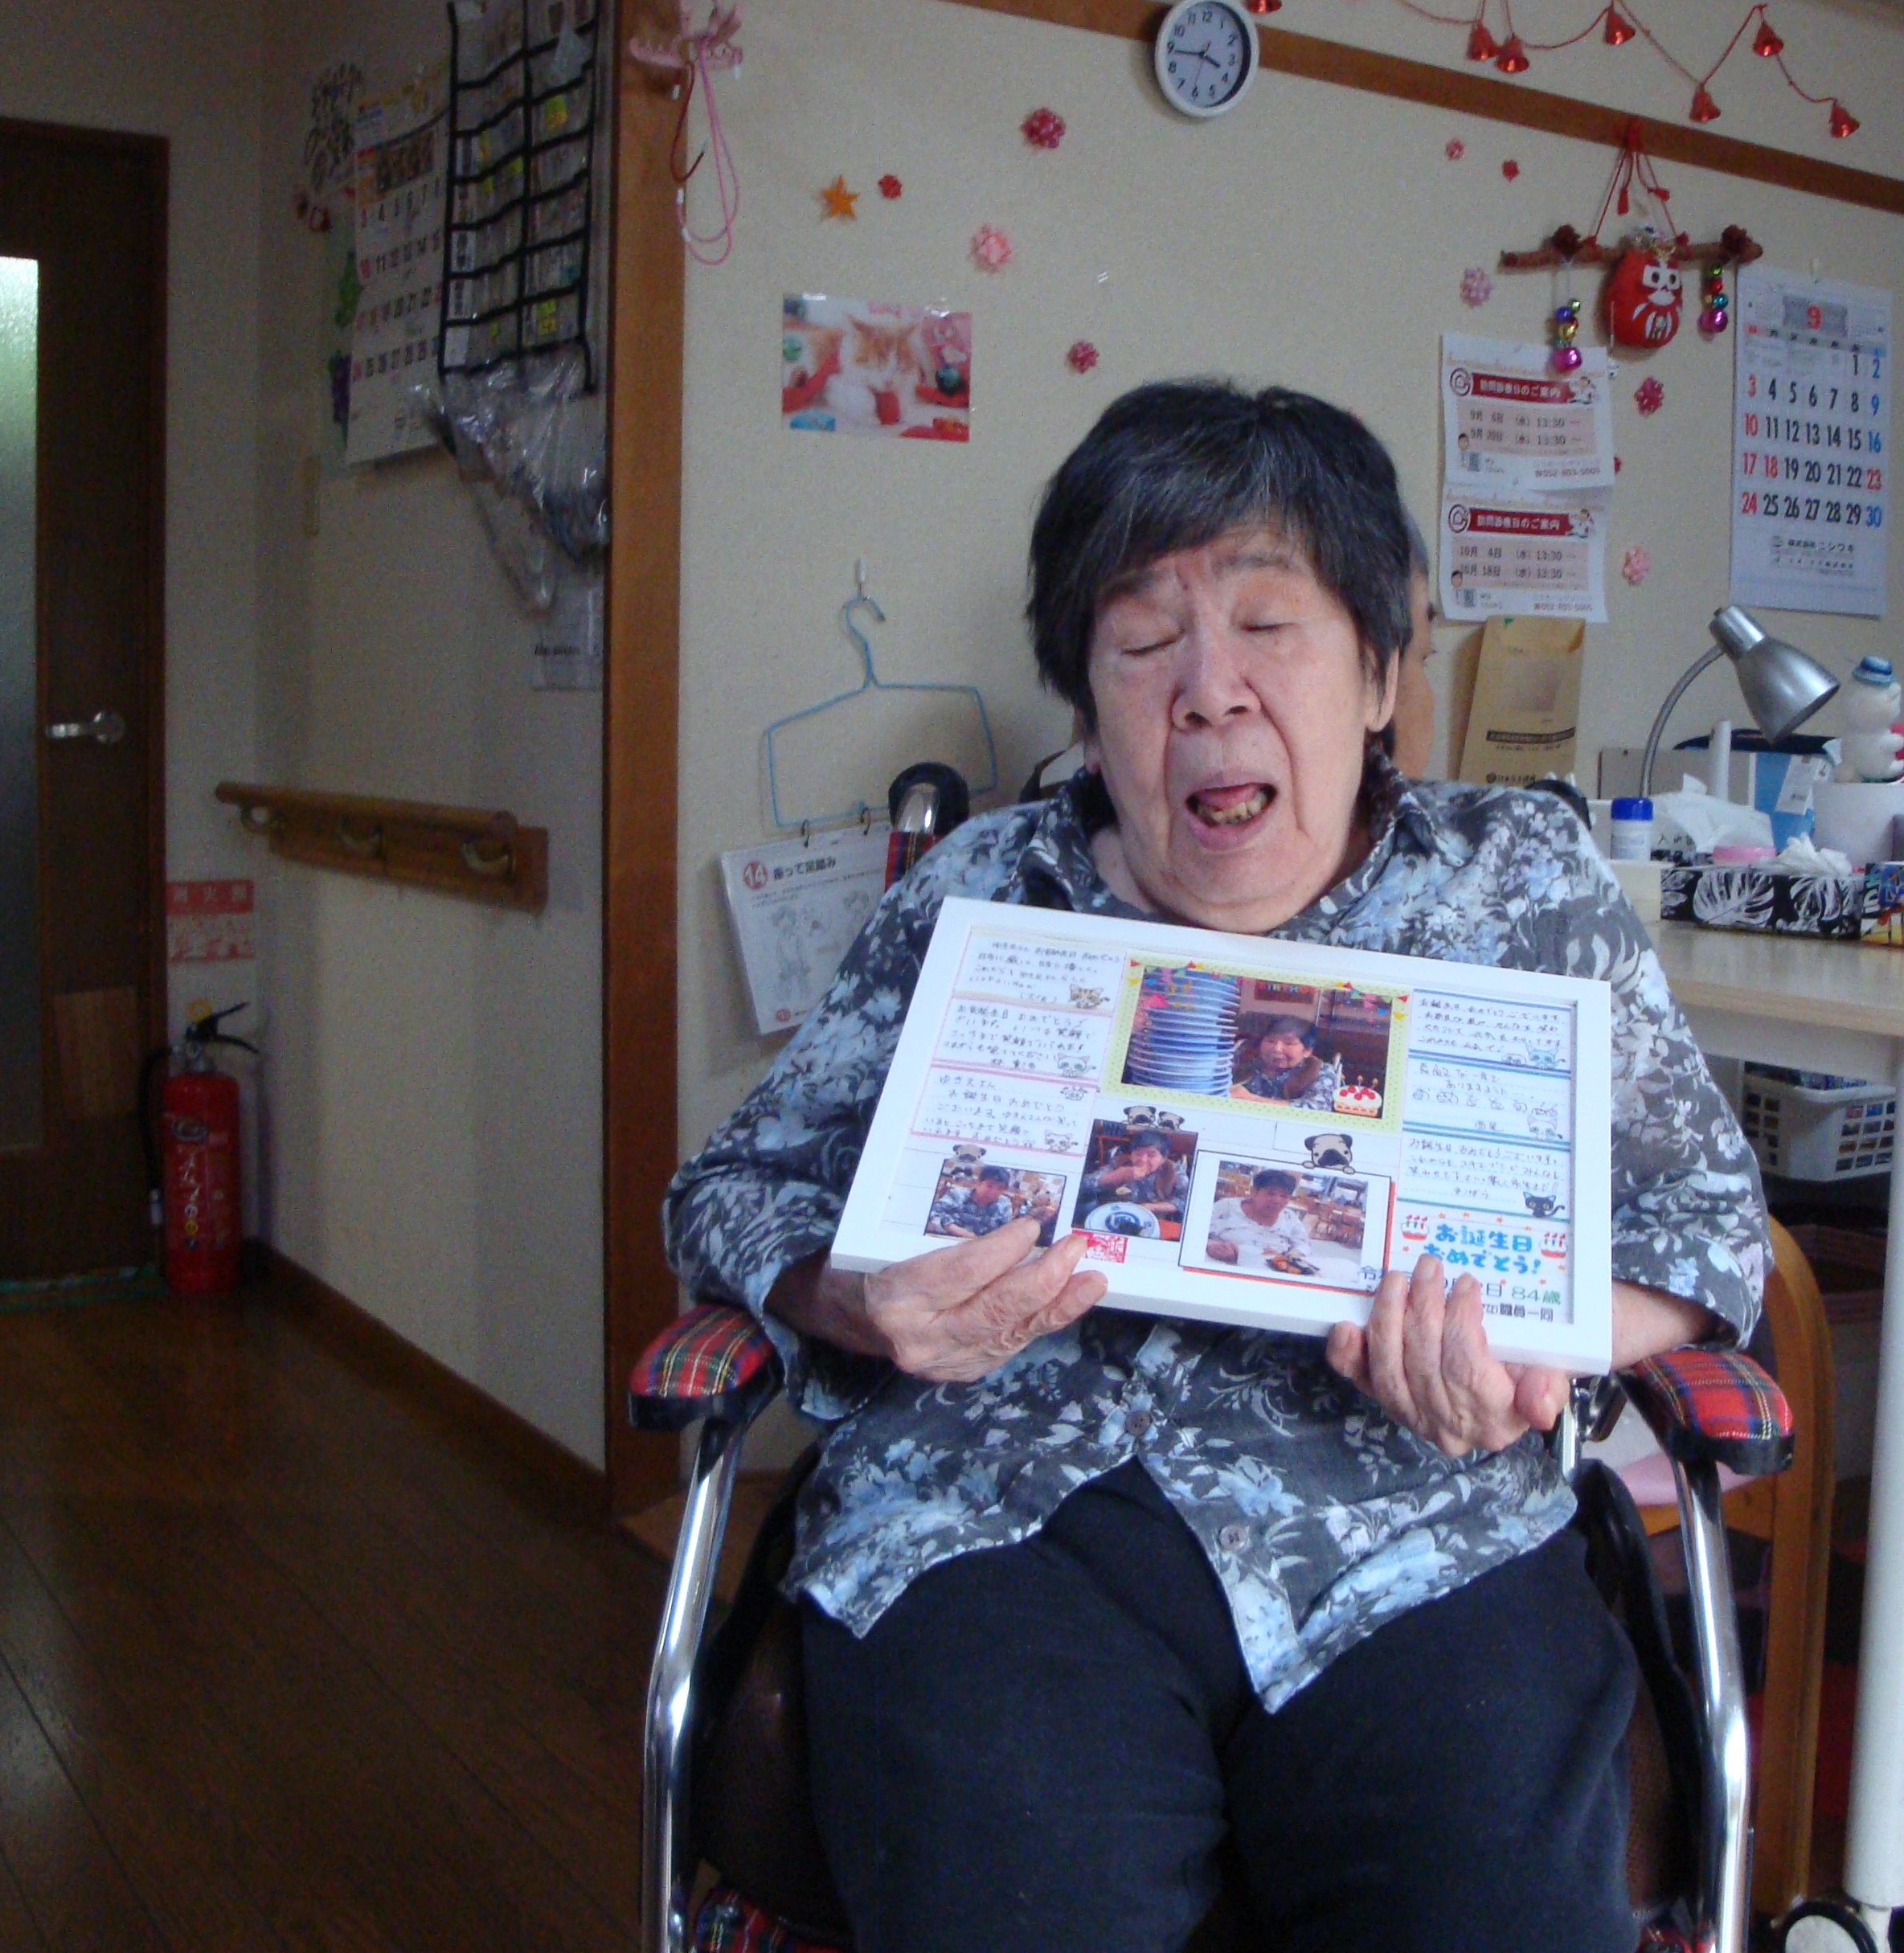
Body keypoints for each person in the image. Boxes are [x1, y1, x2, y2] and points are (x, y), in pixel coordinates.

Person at [665, 377, 1768, 1953]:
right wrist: (851, 1297)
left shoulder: (1520, 885)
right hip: (1001, 1521)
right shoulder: (978, 895)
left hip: (1415, 1525)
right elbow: (733, 1186)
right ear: (1084, 701)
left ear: (1378, 671)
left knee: (1495, 1904)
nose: (1207, 691)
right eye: (1141, 641)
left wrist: (1537, 1342)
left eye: (1267, 624)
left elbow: (1702, 1222)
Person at [1080, 1128, 1188, 1236]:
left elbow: (1184, 1201)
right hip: (1116, 1214)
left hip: (1155, 1220)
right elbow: (1083, 1184)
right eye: (1138, 1154)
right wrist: (1115, 1175)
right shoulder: (1120, 1163)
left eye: (1151, 1155)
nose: (1143, 1160)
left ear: (1163, 1159)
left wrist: (1151, 1207)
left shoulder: (1174, 1171)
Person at [1204, 1167, 1315, 1271]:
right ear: (1253, 1192)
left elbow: (1304, 1244)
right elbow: (1196, 1230)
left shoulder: (1289, 1217)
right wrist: (1211, 1245)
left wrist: (1290, 1255)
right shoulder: (1227, 1208)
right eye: (1271, 1194)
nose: (1277, 1200)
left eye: (1284, 1196)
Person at [1233, 1013, 1341, 1109]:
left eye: (1289, 1043)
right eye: (1271, 1041)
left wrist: (1251, 1100)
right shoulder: (1245, 1061)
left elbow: (1317, 1108)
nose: (1277, 1049)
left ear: (1307, 1051)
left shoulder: (1321, 1071)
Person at [927, 1165, 1018, 1237]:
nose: (994, 1192)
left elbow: (1005, 1232)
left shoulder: (1004, 1204)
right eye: (989, 1186)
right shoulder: (958, 1194)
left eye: (1000, 1188)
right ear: (978, 1183)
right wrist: (953, 1228)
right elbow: (932, 1214)